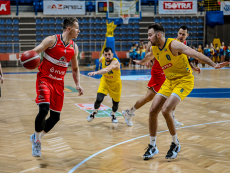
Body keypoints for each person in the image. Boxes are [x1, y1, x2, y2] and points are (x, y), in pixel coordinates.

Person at [136, 23, 228, 160]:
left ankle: (175, 143)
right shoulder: (155, 49)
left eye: (150, 35)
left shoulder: (173, 45)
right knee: (152, 111)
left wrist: (213, 64)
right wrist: (141, 61)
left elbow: (195, 54)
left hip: (185, 80)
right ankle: (153, 146)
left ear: (158, 35)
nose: (148, 38)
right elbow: (148, 58)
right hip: (170, 81)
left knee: (166, 110)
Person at [122, 26, 200, 127]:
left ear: (187, 35)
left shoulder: (183, 44)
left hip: (166, 72)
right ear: (177, 33)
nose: (181, 36)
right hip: (160, 71)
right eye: (180, 33)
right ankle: (171, 118)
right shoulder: (173, 43)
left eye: (183, 34)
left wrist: (192, 67)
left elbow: (186, 58)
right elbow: (151, 44)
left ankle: (128, 113)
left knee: (149, 97)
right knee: (171, 95)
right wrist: (148, 59)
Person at [29, 17, 84, 157]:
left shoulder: (74, 47)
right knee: (44, 109)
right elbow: (34, 52)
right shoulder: (51, 41)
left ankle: (37, 138)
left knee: (55, 117)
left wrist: (78, 84)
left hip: (59, 84)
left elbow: (75, 68)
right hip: (44, 79)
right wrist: (26, 57)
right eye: (77, 28)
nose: (79, 30)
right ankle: (37, 142)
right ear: (69, 29)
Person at [87, 47, 121, 123]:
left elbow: (107, 69)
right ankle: (94, 112)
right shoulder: (103, 59)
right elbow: (100, 59)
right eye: (106, 55)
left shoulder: (115, 62)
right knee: (99, 99)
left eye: (109, 54)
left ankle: (112, 114)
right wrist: (102, 56)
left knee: (115, 104)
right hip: (105, 82)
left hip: (115, 84)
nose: (108, 56)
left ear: (112, 54)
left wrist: (96, 72)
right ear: (104, 55)